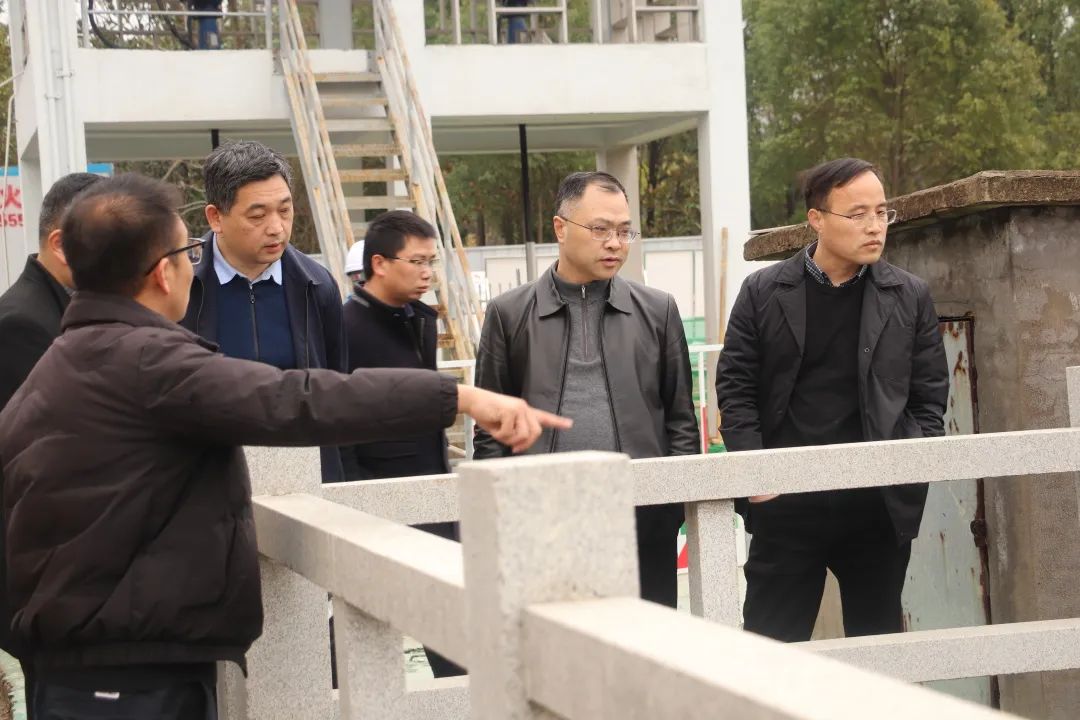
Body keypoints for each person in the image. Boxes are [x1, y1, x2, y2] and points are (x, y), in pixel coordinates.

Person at [0, 173, 567, 720]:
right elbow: (296, 397)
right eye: (188, 252)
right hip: (129, 677)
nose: (195, 264)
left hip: (82, 662)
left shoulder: (63, 360)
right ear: (162, 273)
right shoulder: (148, 361)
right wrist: (457, 397)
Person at [716, 157, 949, 642]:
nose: (875, 226)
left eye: (882, 212)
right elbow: (736, 387)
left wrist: (904, 472)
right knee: (770, 649)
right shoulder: (763, 291)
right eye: (858, 214)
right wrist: (756, 477)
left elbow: (929, 399)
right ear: (817, 219)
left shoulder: (909, 295)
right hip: (785, 502)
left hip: (875, 506)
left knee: (878, 651)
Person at [474, 171, 699, 608]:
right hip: (540, 514)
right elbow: (490, 429)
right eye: (600, 229)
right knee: (551, 638)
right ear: (560, 228)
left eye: (624, 231)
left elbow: (680, 418)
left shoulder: (658, 310)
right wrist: (498, 511)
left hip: (641, 512)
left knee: (646, 637)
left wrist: (672, 505)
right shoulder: (508, 313)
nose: (615, 243)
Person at [181, 140, 349, 482]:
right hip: (205, 478)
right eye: (257, 216)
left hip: (302, 476)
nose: (276, 228)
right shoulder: (179, 285)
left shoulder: (317, 286)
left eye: (285, 210)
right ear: (216, 217)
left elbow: (335, 389)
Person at [341, 210, 462, 678]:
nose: (428, 272)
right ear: (379, 263)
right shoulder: (345, 326)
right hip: (375, 498)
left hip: (432, 489)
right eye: (417, 261)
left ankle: (464, 700)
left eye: (432, 261)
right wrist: (352, 495)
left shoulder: (418, 318)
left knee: (451, 625)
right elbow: (338, 422)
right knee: (369, 630)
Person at [0, 171, 104, 713]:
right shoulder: (24, 324)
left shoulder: (59, 310)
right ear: (61, 244)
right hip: (46, 585)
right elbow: (41, 467)